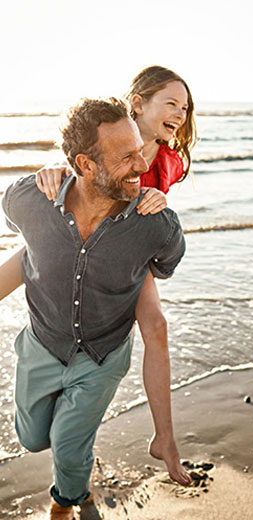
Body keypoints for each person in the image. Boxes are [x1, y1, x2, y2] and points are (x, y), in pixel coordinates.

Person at [0, 66, 197, 494]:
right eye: (172, 103)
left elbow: (164, 254)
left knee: (155, 329)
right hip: (48, 324)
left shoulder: (161, 173)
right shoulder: (38, 193)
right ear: (139, 105)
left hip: (129, 249)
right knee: (33, 439)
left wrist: (154, 206)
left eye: (185, 107)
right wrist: (54, 177)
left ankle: (71, 497)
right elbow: (27, 205)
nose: (140, 163)